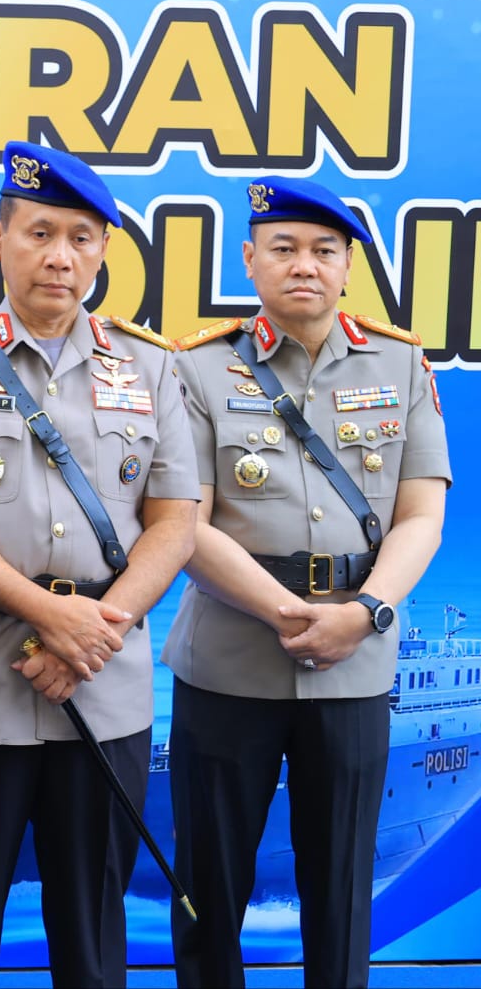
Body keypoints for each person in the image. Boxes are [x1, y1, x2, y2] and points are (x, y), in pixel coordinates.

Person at [0, 141, 200, 987]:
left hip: (102, 681)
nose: (60, 257)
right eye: (39, 233)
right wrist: (49, 614)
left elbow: (177, 521)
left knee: (94, 935)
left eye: (81, 238)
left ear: (102, 251)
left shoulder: (151, 364)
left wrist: (94, 632)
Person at [164, 177, 448, 987]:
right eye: (283, 248)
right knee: (209, 887)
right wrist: (288, 611)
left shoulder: (400, 362)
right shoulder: (196, 367)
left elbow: (422, 515)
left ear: (348, 266)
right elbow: (183, 521)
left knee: (343, 889)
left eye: (324, 250)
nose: (304, 265)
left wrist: (367, 611)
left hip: (357, 661)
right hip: (230, 660)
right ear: (250, 260)